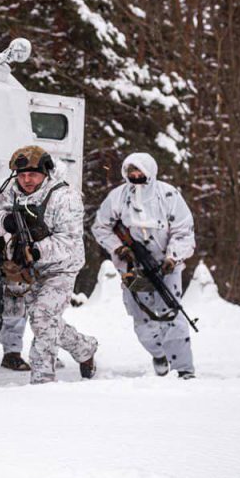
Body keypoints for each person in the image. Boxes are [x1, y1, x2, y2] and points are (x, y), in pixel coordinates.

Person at [0, 146, 97, 383]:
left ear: (46, 173)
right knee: (45, 320)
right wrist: (6, 221)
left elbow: (69, 240)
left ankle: (43, 379)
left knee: (42, 315)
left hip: (61, 266)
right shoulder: (9, 191)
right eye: (22, 174)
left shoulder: (65, 197)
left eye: (33, 175)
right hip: (28, 267)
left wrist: (37, 250)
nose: (27, 180)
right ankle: (84, 349)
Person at [92, 153, 196, 379]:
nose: (136, 176)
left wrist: (172, 257)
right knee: (142, 319)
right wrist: (119, 248)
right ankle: (158, 353)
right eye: (132, 172)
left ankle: (184, 369)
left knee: (172, 313)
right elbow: (101, 227)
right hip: (132, 268)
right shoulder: (118, 197)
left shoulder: (168, 195)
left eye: (140, 171)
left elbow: (184, 230)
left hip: (166, 267)